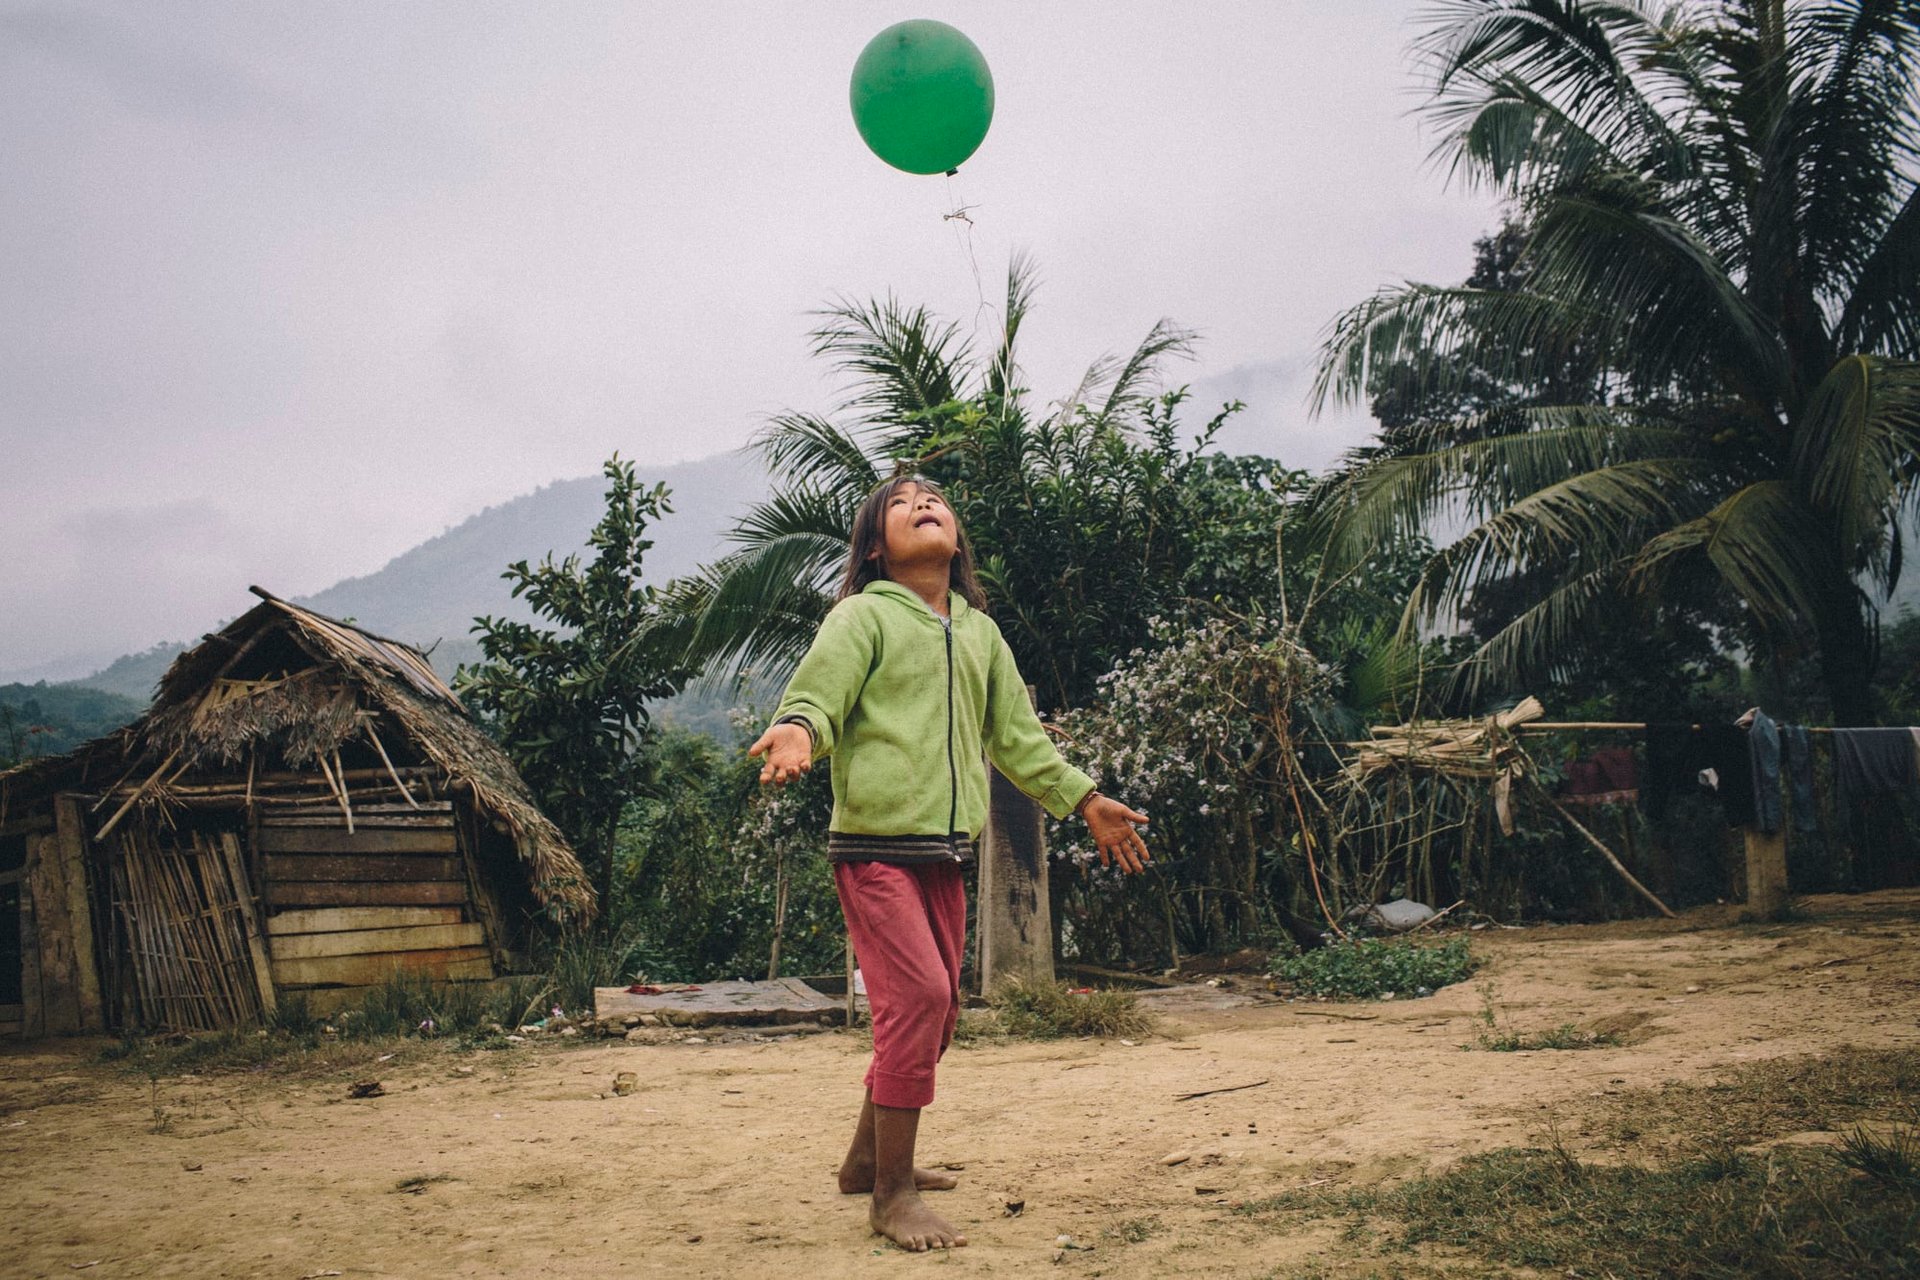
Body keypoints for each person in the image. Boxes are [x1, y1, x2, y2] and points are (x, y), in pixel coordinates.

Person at [748, 473, 1151, 1253]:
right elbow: (819, 698)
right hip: (873, 849)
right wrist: (798, 730)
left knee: (941, 1014)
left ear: (956, 536)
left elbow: (1018, 742)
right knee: (921, 1000)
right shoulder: (861, 617)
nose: (922, 505)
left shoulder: (980, 634)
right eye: (900, 505)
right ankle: (892, 1196)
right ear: (874, 546)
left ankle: (867, 1160)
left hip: (944, 853)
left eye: (933, 499)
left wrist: (1085, 800)